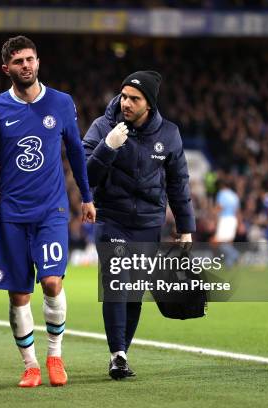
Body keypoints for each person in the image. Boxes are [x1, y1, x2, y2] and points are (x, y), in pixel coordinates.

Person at [0, 36, 95, 388]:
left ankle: (55, 356)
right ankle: (31, 365)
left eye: (30, 59)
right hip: (11, 212)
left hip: (51, 210)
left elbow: (76, 151)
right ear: (6, 68)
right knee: (18, 294)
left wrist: (86, 196)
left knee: (53, 282)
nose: (26, 65)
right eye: (18, 61)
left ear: (38, 62)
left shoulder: (61, 102)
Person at [82, 71, 195, 379]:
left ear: (149, 103)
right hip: (112, 219)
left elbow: (178, 184)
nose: (126, 103)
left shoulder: (169, 134)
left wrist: (185, 228)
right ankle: (117, 354)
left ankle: (122, 354)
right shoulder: (103, 127)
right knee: (117, 282)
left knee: (134, 291)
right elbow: (86, 177)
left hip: (148, 223)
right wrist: (107, 146)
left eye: (135, 98)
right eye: (124, 96)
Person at [212, 178, 240, 267]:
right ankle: (229, 264)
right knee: (228, 243)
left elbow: (220, 207)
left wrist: (213, 213)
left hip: (224, 220)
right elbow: (237, 211)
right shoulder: (234, 195)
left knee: (217, 242)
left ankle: (236, 255)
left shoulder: (222, 194)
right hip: (233, 220)